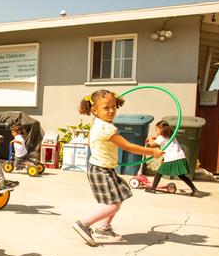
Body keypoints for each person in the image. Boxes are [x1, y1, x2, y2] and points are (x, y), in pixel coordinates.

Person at [71, 90, 164, 246]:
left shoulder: (98, 123)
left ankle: (103, 228)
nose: (112, 111)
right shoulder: (107, 128)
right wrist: (152, 151)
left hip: (103, 168)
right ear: (95, 110)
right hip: (100, 169)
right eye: (106, 108)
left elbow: (90, 141)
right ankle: (84, 224)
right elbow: (128, 146)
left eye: (113, 106)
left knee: (118, 198)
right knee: (112, 204)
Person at [146, 120, 206, 197]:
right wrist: (155, 138)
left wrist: (150, 138)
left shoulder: (161, 137)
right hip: (180, 157)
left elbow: (152, 144)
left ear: (162, 130)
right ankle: (194, 190)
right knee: (181, 175)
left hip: (172, 158)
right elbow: (160, 139)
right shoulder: (171, 135)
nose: (156, 132)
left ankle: (153, 188)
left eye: (157, 130)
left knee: (159, 172)